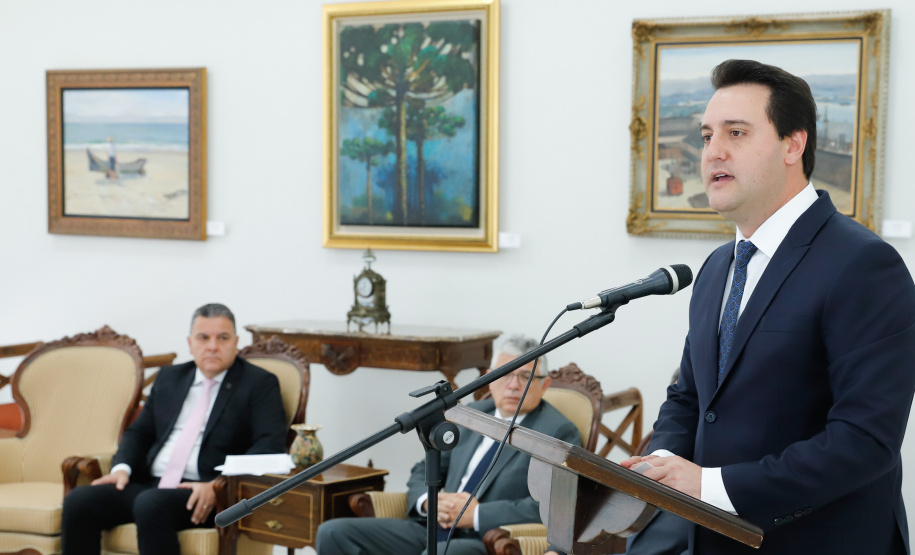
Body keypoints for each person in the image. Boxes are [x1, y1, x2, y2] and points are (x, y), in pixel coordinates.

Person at [620, 59, 915, 554]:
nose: (713, 151)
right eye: (707, 135)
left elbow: (865, 442)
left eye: (736, 133)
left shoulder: (863, 264)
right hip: (713, 539)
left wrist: (711, 486)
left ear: (792, 145)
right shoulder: (717, 267)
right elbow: (691, 397)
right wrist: (662, 464)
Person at [315, 334, 581, 555]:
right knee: (334, 533)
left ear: (544, 385)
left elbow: (558, 506)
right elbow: (424, 468)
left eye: (525, 377)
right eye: (505, 374)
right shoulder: (472, 414)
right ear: (489, 378)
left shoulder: (557, 431)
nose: (513, 385)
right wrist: (429, 501)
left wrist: (477, 514)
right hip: (432, 526)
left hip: (485, 540)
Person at [61, 303, 287, 554]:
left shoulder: (259, 383)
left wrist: (219, 484)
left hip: (207, 490)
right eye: (203, 337)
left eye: (222, 338)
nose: (212, 346)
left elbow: (269, 445)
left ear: (235, 342)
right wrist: (121, 468)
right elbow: (140, 432)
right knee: (80, 501)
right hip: (151, 483)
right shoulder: (170, 378)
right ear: (190, 343)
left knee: (151, 503)